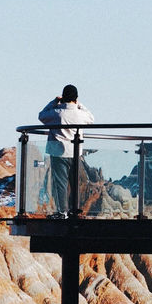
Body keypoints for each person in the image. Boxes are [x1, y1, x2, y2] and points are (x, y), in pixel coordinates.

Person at [38, 84, 94, 217]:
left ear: (63, 97)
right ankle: (75, 210)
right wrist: (79, 104)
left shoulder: (57, 113)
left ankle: (62, 211)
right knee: (75, 183)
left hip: (58, 153)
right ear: (76, 98)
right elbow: (91, 118)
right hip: (75, 152)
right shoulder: (80, 115)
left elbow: (41, 116)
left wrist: (54, 102)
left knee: (61, 184)